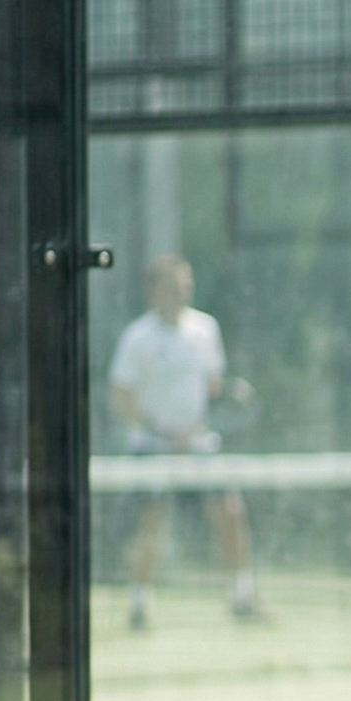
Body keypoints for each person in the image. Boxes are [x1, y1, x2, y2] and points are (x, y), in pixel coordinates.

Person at [108, 255, 261, 631]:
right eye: (174, 287)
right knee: (152, 523)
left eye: (186, 286)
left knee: (230, 511)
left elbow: (211, 383)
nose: (182, 293)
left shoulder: (205, 329)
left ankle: (242, 598)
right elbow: (121, 397)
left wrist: (224, 395)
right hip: (152, 447)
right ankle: (139, 606)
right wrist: (163, 432)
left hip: (199, 448)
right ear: (154, 291)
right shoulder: (137, 338)